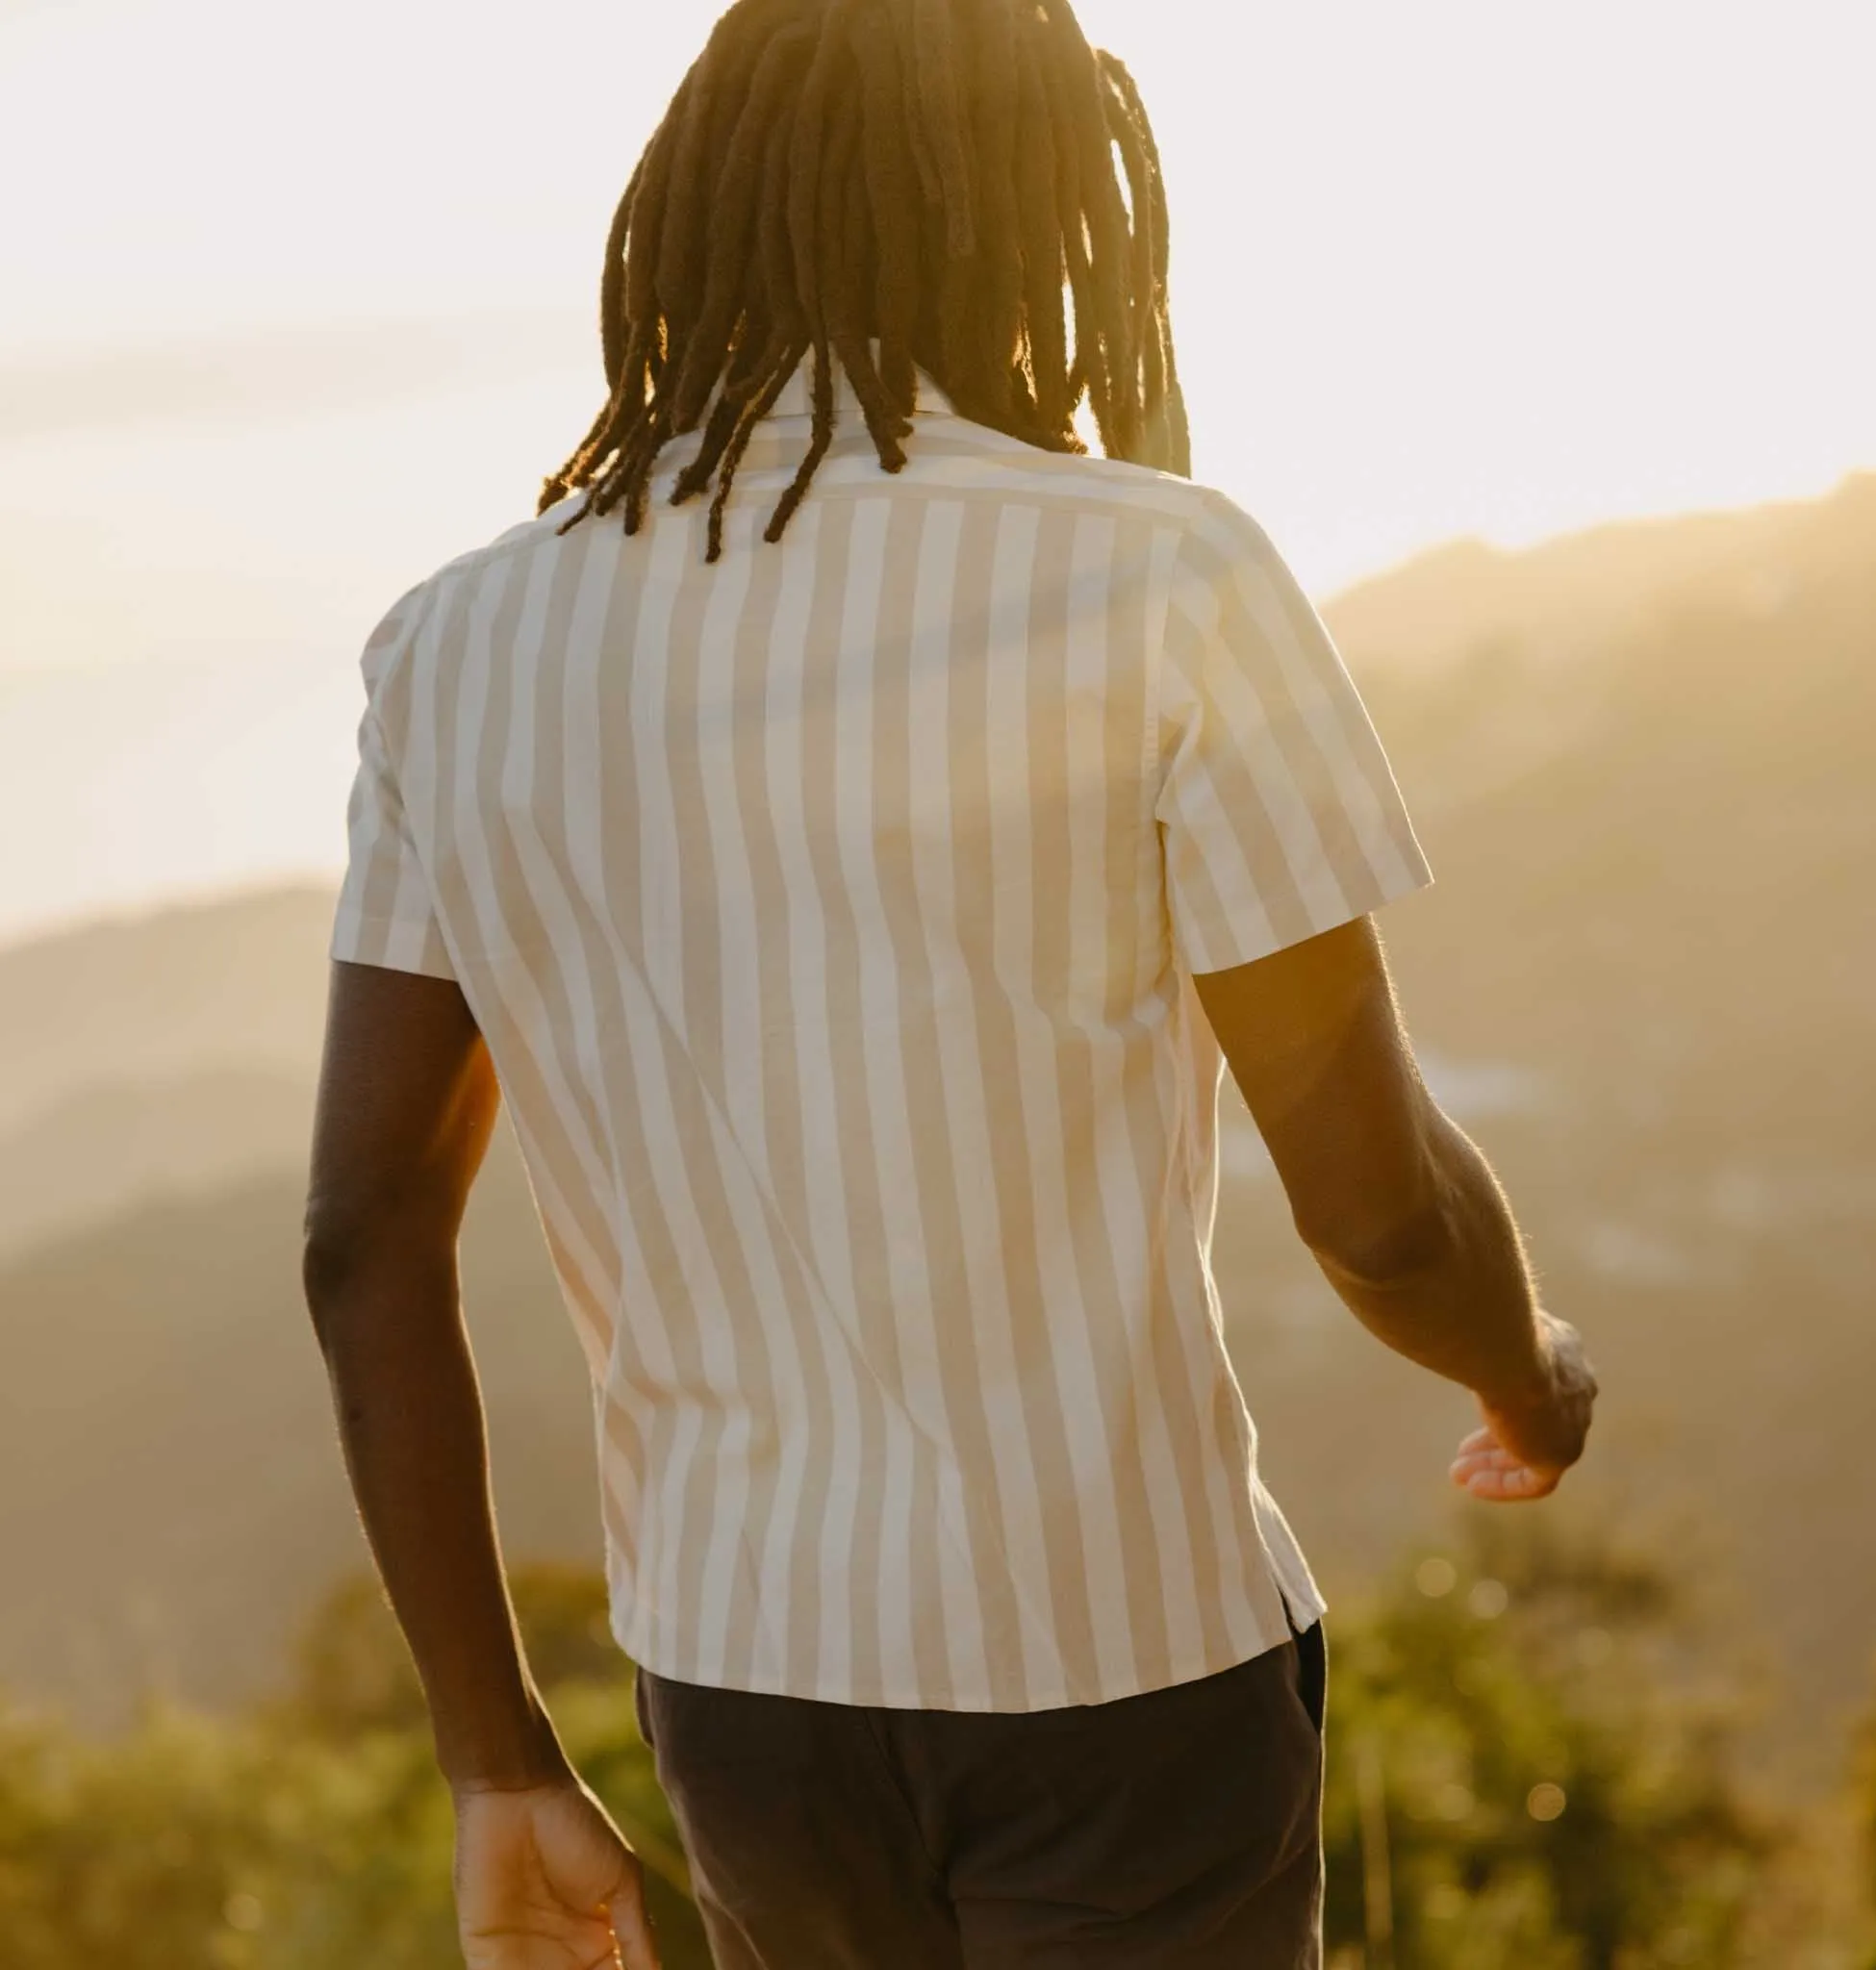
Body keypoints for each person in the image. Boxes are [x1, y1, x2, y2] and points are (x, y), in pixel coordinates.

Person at [302, 0, 1598, 1963]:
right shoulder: (1158, 576)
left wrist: (498, 1760)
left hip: (739, 1693)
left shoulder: (455, 646)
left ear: (692, 214)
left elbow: (364, 1232)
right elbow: (1381, 1209)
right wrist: (1527, 1368)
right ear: (1044, 221)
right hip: (1125, 1667)